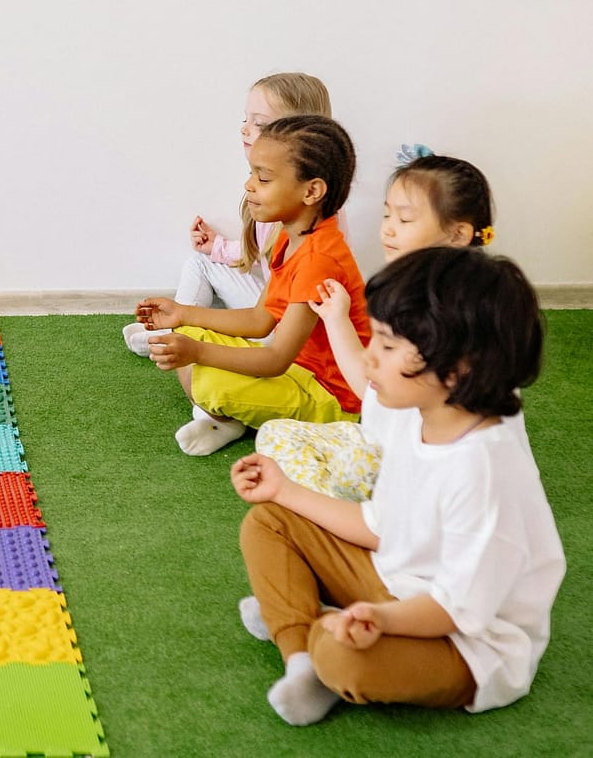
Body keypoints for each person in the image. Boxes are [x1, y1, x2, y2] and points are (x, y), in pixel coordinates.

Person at [232, 248, 563, 725]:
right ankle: (301, 660)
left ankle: (305, 623)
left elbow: (458, 608)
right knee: (268, 522)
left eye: (387, 347)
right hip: (393, 580)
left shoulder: (485, 469)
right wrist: (283, 492)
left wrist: (380, 620)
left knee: (340, 653)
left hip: (467, 640)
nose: (370, 357)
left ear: (457, 370)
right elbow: (380, 527)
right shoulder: (416, 415)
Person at [256, 151, 498, 500]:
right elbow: (369, 388)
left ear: (458, 234)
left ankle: (343, 511)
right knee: (275, 435)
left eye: (405, 218)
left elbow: (381, 395)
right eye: (387, 214)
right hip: (384, 441)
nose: (388, 227)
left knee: (347, 467)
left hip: (422, 462)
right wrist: (337, 318)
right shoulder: (404, 293)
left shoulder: (454, 312)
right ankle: (338, 505)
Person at [134, 115, 369, 455]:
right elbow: (260, 320)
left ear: (311, 191)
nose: (249, 185)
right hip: (296, 373)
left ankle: (227, 420)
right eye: (251, 174)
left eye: (263, 178)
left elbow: (275, 359)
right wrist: (182, 314)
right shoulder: (292, 237)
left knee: (207, 380)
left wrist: (197, 353)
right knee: (186, 337)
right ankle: (227, 416)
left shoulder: (319, 259)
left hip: (328, 399)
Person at [123, 73, 333, 356]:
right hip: (271, 304)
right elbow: (264, 252)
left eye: (259, 123)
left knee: (256, 341)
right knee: (201, 262)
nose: (245, 129)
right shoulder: (274, 191)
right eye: (245, 119)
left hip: (291, 328)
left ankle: (178, 338)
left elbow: (274, 314)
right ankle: (171, 331)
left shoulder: (305, 207)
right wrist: (217, 247)